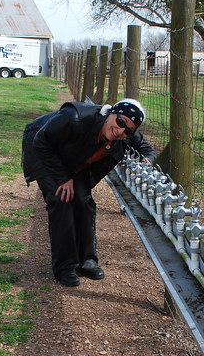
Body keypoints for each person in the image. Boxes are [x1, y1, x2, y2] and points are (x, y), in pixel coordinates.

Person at [22, 98, 156, 286]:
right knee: (62, 201)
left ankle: (87, 261)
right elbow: (42, 141)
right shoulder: (74, 117)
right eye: (120, 122)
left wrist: (147, 160)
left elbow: (146, 150)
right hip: (44, 150)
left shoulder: (124, 134)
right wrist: (63, 178)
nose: (120, 131)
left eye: (128, 131)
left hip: (73, 159)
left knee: (84, 201)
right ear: (111, 113)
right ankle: (65, 267)